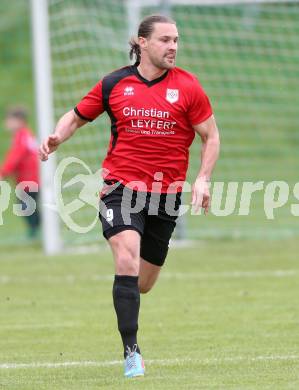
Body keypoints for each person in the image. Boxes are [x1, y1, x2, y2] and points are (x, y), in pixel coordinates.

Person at [39, 14, 220, 378]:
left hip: (165, 196)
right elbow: (74, 117)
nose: (173, 47)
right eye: (165, 40)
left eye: (176, 40)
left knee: (142, 283)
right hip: (120, 188)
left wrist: (202, 177)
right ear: (141, 42)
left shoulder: (188, 87)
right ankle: (131, 353)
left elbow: (210, 136)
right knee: (126, 257)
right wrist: (58, 137)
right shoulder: (114, 83)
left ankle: (126, 298)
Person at [0, 106, 40, 238]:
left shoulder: (22, 136)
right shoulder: (25, 135)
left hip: (29, 180)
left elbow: (15, 157)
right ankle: (38, 231)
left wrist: (3, 172)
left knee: (25, 207)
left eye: (9, 120)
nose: (7, 123)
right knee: (27, 207)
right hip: (29, 179)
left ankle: (36, 233)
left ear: (19, 121)